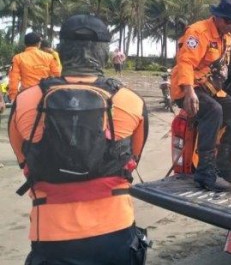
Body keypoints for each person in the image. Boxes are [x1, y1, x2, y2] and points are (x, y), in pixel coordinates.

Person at [8, 14, 149, 264]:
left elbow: (25, 163)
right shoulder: (131, 101)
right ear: (105, 52)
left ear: (61, 49)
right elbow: (132, 161)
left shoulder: (25, 102)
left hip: (49, 234)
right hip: (115, 230)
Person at [171, 0, 231, 191]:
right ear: (218, 18)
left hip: (211, 89)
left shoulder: (227, 36)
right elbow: (186, 63)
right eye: (229, 22)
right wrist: (189, 92)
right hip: (188, 87)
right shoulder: (198, 32)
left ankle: (224, 164)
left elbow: (224, 67)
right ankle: (206, 172)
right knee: (213, 111)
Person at [8, 32, 61, 101]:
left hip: (27, 94)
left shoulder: (17, 58)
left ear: (25, 44)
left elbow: (13, 78)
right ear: (39, 44)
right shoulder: (49, 57)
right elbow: (57, 75)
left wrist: (13, 96)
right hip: (45, 94)